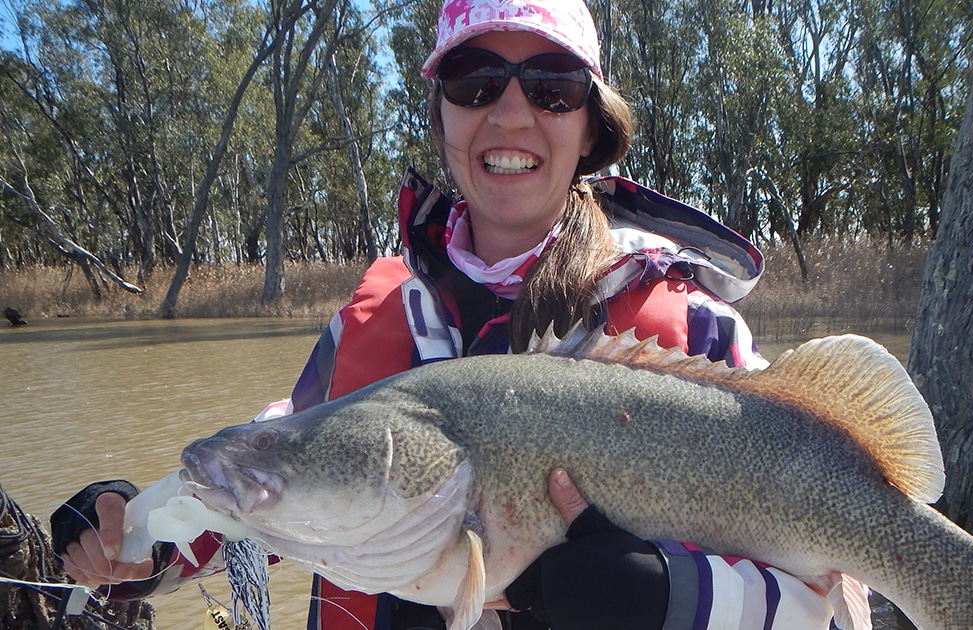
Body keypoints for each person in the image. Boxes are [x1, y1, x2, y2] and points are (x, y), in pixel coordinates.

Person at [51, 1, 837, 628]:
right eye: (473, 81)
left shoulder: (699, 333)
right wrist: (138, 534)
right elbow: (283, 490)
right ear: (440, 113)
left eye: (553, 86)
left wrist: (671, 597)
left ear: (592, 124)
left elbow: (838, 600)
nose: (510, 114)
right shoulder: (371, 319)